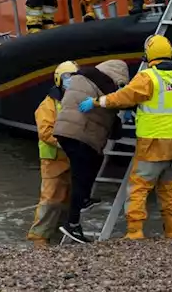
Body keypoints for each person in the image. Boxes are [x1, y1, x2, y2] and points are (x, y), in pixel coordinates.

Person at [79, 35, 172, 240]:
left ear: (149, 54)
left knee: (138, 188)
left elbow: (124, 96)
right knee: (169, 191)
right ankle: (171, 231)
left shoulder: (147, 78)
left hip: (151, 143)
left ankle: (135, 231)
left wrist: (97, 102)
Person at [53, 59, 131, 243]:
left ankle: (85, 199)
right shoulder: (105, 83)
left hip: (65, 132)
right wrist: (129, 107)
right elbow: (118, 101)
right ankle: (72, 225)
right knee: (81, 177)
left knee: (93, 161)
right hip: (81, 135)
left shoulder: (84, 76)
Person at [27, 61, 76, 246]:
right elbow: (46, 132)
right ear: (58, 80)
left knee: (69, 197)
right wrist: (67, 144)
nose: (70, 81)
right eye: (67, 77)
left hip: (71, 158)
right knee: (50, 198)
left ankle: (62, 234)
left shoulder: (75, 101)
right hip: (53, 158)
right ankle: (39, 237)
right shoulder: (47, 106)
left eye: (73, 77)